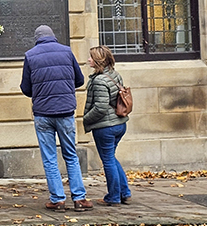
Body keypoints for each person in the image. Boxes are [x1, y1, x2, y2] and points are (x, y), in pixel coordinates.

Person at [20, 25, 93, 211]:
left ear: (37, 39)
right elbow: (79, 80)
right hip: (65, 112)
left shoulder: (30, 55)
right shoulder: (67, 51)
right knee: (71, 155)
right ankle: (79, 198)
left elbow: (26, 88)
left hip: (43, 114)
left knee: (49, 158)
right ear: (53, 36)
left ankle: (58, 199)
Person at [82, 45, 132, 206]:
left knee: (108, 161)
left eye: (91, 57)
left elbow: (101, 107)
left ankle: (114, 197)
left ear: (99, 60)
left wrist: (86, 119)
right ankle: (125, 193)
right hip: (119, 124)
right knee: (111, 157)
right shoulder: (114, 74)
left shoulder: (99, 81)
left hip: (105, 127)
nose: (88, 59)